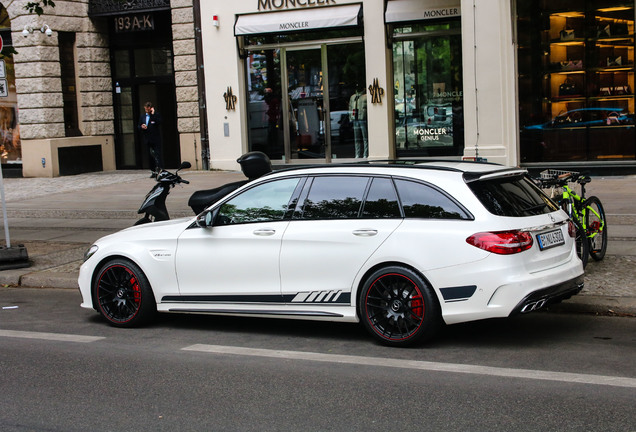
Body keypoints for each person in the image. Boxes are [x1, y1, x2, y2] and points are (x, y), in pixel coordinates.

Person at [138, 101, 163, 172]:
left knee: (157, 154)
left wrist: (153, 114)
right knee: (150, 156)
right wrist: (141, 126)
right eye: (146, 109)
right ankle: (153, 170)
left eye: (148, 109)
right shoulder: (142, 116)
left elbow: (159, 122)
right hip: (147, 139)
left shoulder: (156, 115)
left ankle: (160, 169)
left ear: (151, 108)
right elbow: (138, 126)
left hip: (155, 139)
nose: (147, 111)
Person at [349, 88, 368, 158]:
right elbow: (350, 107)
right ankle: (357, 154)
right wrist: (350, 117)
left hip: (362, 119)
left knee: (365, 137)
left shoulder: (365, 96)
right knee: (357, 138)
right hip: (355, 119)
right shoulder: (353, 97)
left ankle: (365, 154)